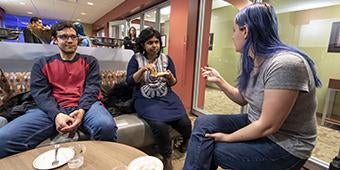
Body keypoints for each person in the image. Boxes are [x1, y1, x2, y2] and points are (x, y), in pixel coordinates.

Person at [184, 3, 322, 170]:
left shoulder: (285, 64)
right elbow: (242, 99)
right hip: (258, 123)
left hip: (287, 145)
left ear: (245, 31)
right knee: (204, 122)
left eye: (234, 30)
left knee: (212, 148)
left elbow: (268, 126)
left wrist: (227, 137)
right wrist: (220, 80)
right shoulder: (252, 60)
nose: (232, 36)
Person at [0, 21, 117, 158]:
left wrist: (81, 109)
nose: (70, 40)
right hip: (52, 108)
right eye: (64, 37)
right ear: (55, 40)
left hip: (86, 106)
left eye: (73, 37)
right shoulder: (42, 63)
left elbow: (92, 88)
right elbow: (40, 93)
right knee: (4, 138)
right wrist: (56, 114)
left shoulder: (90, 61)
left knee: (106, 127)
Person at [126, 27, 192, 170]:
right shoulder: (136, 59)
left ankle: (186, 140)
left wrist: (169, 77)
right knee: (160, 125)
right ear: (143, 44)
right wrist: (142, 70)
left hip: (166, 97)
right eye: (150, 42)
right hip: (144, 98)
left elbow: (173, 83)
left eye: (156, 42)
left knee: (185, 122)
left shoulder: (166, 59)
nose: (154, 45)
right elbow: (130, 81)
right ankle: (167, 157)